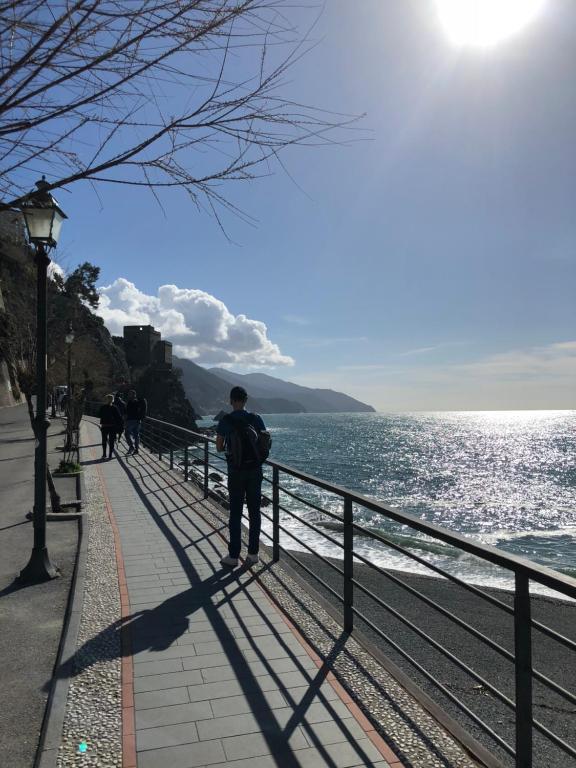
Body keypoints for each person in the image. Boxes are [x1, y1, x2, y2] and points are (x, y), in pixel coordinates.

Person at [216, 386, 267, 567]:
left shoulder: (225, 421)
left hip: (235, 472)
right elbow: (264, 444)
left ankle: (233, 556)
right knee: (254, 512)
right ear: (246, 400)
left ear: (231, 400)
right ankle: (253, 554)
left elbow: (219, 448)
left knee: (236, 513)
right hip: (255, 471)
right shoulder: (256, 419)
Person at [98, 394, 123, 459]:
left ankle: (104, 454)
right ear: (113, 400)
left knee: (104, 440)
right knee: (111, 441)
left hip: (104, 426)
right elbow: (119, 418)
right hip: (112, 426)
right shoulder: (115, 408)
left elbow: (99, 415)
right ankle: (110, 455)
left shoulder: (102, 407)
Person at [125, 389, 147, 455]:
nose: (129, 395)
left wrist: (125, 421)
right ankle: (136, 449)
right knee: (136, 435)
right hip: (138, 421)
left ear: (133, 394)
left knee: (127, 434)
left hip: (130, 421)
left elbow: (127, 412)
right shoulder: (139, 402)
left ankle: (131, 447)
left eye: (130, 394)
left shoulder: (130, 402)